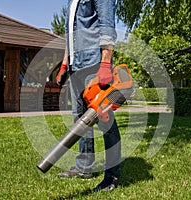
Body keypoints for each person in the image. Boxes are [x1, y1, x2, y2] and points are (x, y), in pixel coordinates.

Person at [56, 0, 121, 192]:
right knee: (80, 119)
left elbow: (107, 25)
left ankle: (112, 175)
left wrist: (105, 63)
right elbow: (71, 34)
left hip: (94, 62)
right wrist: (64, 64)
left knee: (105, 120)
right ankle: (84, 167)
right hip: (76, 65)